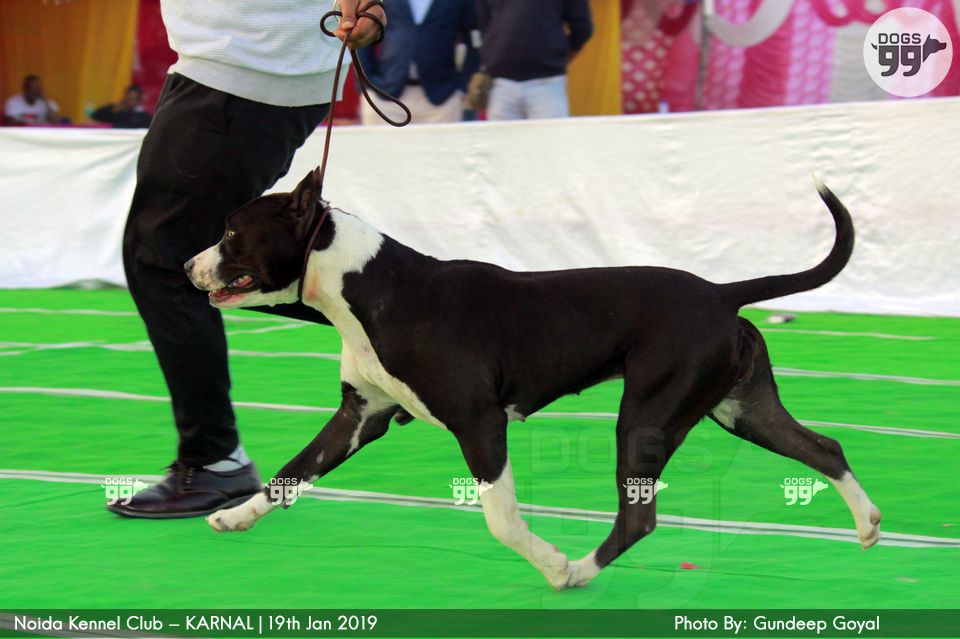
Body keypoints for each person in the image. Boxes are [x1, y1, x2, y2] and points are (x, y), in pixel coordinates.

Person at [111, 0, 385, 519]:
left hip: (244, 68)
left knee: (167, 263)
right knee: (206, 260)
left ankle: (215, 461)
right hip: (240, 66)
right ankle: (422, 315)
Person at [355, 0, 478, 125]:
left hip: (442, 98)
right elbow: (364, 34)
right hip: (385, 96)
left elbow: (474, 40)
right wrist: (367, 82)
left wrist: (462, 87)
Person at [478, 0, 593, 120]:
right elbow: (483, 24)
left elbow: (582, 28)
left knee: (551, 133)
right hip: (502, 85)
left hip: (547, 84)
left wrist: (559, 57)